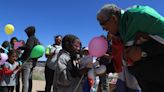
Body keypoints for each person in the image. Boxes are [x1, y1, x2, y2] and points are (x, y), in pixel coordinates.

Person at [97, 4, 164, 92]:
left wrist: (143, 51)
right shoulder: (120, 33)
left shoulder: (140, 15)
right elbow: (122, 60)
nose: (103, 29)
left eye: (103, 24)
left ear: (113, 18)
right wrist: (106, 68)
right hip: (147, 84)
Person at [19, 26, 40, 92]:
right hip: (32, 62)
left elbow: (29, 47)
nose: (26, 34)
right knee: (29, 79)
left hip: (27, 61)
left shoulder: (31, 38)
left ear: (30, 32)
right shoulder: (36, 40)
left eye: (27, 32)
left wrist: (20, 47)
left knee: (25, 80)